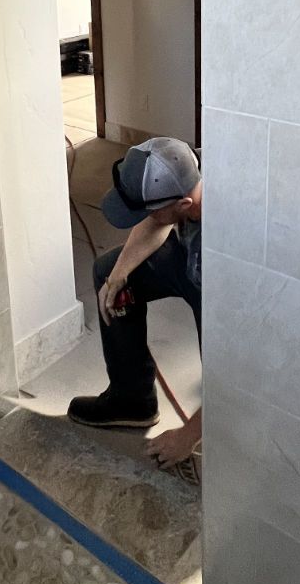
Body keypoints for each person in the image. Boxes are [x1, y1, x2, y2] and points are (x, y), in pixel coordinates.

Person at [67, 137, 203, 471]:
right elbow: (158, 218)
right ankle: (132, 399)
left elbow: (239, 368)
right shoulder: (191, 162)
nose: (146, 216)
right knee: (108, 271)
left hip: (216, 282)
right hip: (186, 258)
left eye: (150, 209)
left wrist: (189, 435)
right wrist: (118, 275)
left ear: (184, 204)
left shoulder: (226, 251)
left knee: (223, 363)